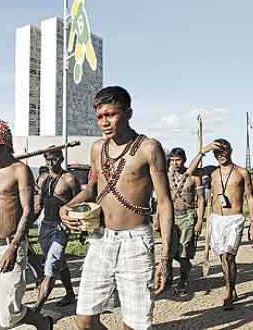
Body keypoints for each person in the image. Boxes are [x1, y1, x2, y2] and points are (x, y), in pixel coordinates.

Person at [60, 86, 173, 330]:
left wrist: (165, 258)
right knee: (85, 319)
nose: (104, 122)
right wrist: (66, 207)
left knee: (134, 324)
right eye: (100, 117)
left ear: (128, 113)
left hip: (136, 241)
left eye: (111, 114)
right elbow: (91, 189)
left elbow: (164, 202)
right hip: (101, 239)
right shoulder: (97, 148)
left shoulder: (149, 148)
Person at [0, 120, 53, 330]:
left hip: (9, 246)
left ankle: (43, 323)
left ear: (5, 145)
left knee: (11, 313)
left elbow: (27, 211)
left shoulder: (19, 170)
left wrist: (14, 247)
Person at [202, 139, 253, 310]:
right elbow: (189, 172)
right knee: (223, 258)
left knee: (228, 256)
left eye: (223, 151)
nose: (220, 155)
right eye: (216, 152)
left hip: (234, 218)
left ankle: (228, 293)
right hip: (217, 218)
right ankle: (231, 286)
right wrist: (204, 150)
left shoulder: (242, 172)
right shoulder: (212, 172)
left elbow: (250, 197)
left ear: (230, 150)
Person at [32, 148, 79, 312]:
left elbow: (80, 204)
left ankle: (37, 306)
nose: (51, 163)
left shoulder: (70, 179)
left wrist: (79, 228)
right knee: (59, 262)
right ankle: (70, 294)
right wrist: (23, 227)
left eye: (54, 160)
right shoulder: (43, 179)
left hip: (62, 227)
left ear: (61, 159)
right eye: (48, 160)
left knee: (51, 264)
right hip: (45, 225)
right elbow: (38, 206)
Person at [164, 147, 206, 295]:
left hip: (188, 216)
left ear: (184, 160)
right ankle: (183, 268)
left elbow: (201, 200)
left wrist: (200, 220)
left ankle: (183, 280)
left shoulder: (194, 177)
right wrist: (157, 219)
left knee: (183, 250)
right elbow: (161, 200)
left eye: (178, 160)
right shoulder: (165, 176)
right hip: (171, 216)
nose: (175, 163)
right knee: (170, 250)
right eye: (173, 160)